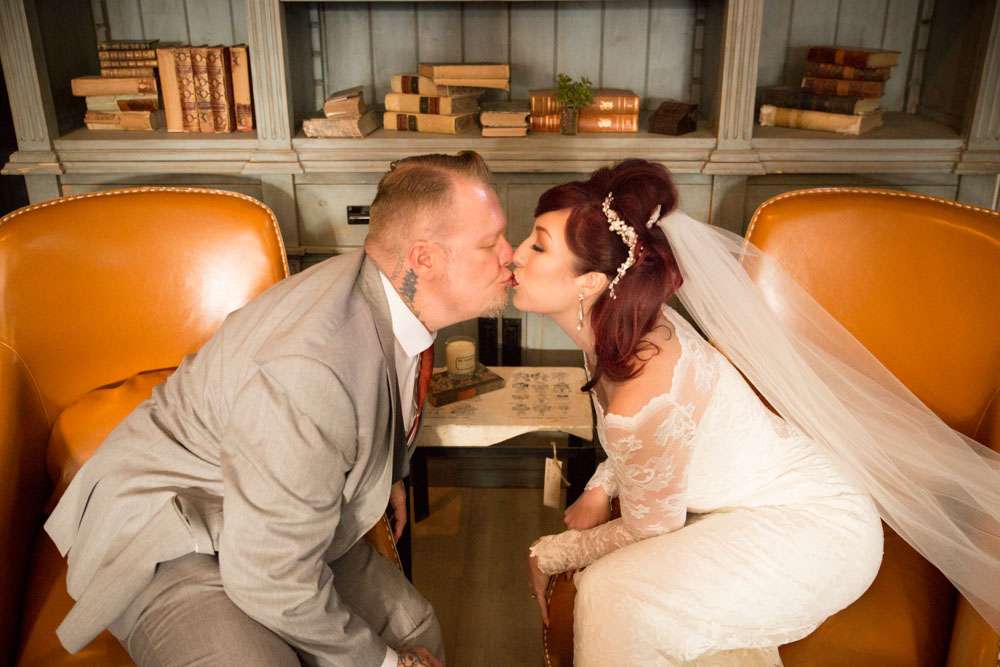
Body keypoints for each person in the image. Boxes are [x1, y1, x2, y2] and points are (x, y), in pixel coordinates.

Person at [514, 159, 1000, 665]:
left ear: (591, 282)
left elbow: (650, 521)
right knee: (621, 593)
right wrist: (601, 485)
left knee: (611, 591)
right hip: (749, 509)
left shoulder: (641, 389)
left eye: (537, 245)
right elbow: (658, 438)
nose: (515, 255)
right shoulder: (632, 331)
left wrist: (550, 553)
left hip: (815, 535)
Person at [44, 151, 513, 667]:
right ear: (424, 259)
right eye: (490, 243)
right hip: (173, 528)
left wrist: (388, 471)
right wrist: (384, 663)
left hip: (275, 517)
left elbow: (381, 389)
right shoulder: (313, 368)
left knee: (413, 625)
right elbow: (269, 575)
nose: (509, 255)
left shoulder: (387, 292)